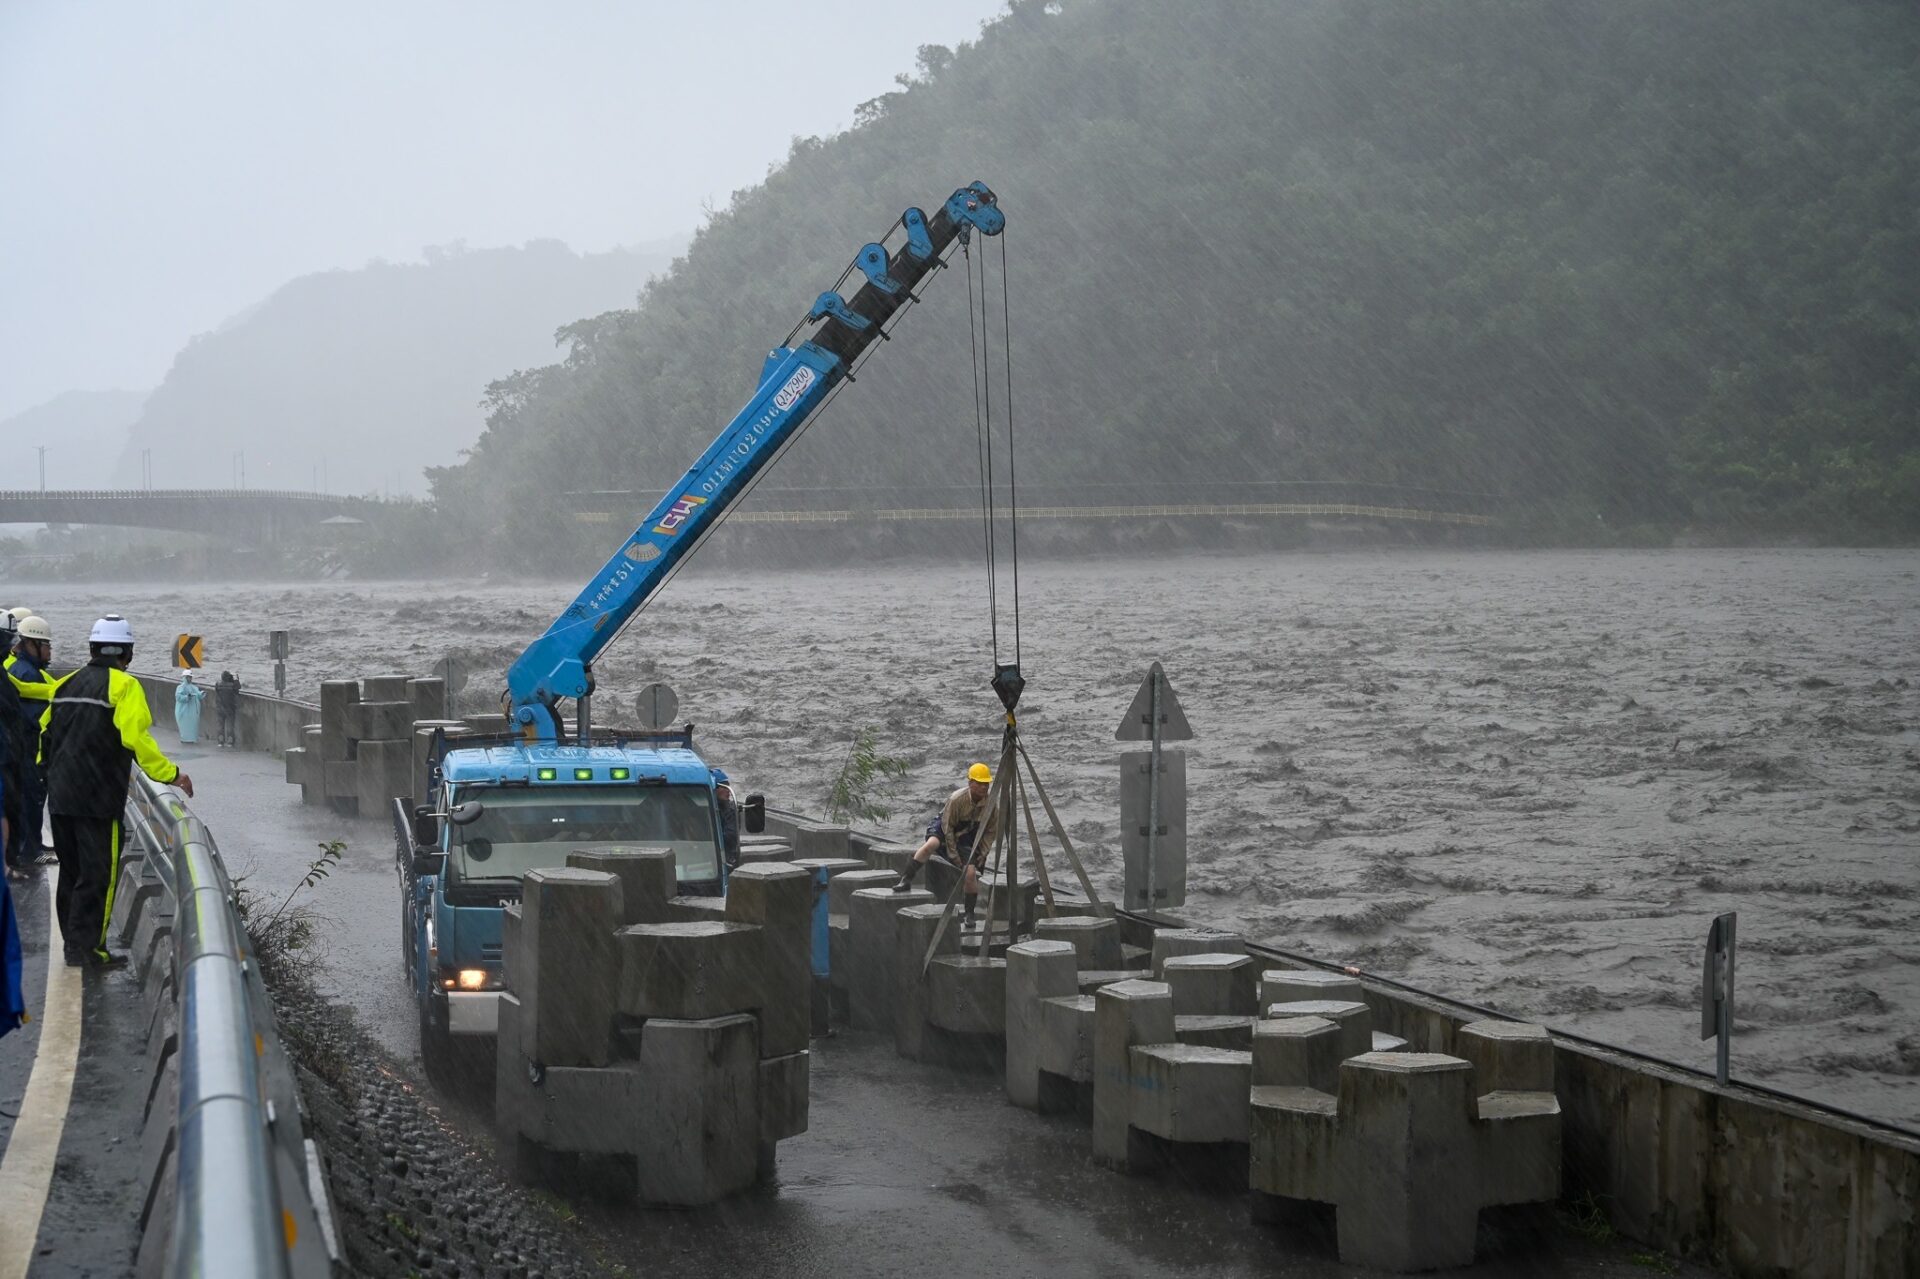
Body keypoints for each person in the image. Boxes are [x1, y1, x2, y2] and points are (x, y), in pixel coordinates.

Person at [44, 616, 194, 969]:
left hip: (61, 796)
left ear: (92, 648)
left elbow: (44, 736)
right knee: (98, 875)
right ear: (127, 652)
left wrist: (47, 777)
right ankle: (90, 949)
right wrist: (171, 774)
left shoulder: (63, 685)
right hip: (98, 799)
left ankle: (72, 946)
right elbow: (136, 738)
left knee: (71, 871)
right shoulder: (124, 687)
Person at [894, 762, 1001, 927]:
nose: (983, 787)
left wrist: (984, 852)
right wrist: (953, 855)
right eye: (979, 783)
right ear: (970, 783)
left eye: (986, 784)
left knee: (971, 873)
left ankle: (969, 913)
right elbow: (948, 828)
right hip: (946, 826)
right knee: (931, 844)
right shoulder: (957, 799)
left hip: (969, 832)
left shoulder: (991, 805)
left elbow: (990, 832)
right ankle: (906, 879)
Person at [7, 614, 57, 865]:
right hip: (28, 748)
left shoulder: (26, 670)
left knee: (31, 797)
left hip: (26, 748)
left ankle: (34, 844)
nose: (49, 651)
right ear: (32, 644)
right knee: (30, 797)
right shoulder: (26, 674)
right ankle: (30, 851)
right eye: (46, 645)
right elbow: (34, 716)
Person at [712, 767, 742, 868]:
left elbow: (731, 836)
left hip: (726, 857)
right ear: (714, 789)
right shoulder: (705, 809)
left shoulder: (731, 811)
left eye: (728, 787)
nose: (728, 791)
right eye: (724, 787)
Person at [174, 672, 205, 744]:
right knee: (184, 725)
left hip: (193, 711)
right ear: (184, 677)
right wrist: (187, 697)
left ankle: (192, 738)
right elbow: (178, 697)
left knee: (193, 725)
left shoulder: (194, 687)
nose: (189, 679)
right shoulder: (180, 687)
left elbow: (198, 695)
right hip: (183, 710)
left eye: (190, 677)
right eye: (188, 677)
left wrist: (202, 693)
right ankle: (184, 739)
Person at [213, 671, 242, 747]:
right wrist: (236, 679)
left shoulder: (218, 684)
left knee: (220, 726)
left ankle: (220, 742)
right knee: (230, 726)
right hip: (230, 708)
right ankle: (230, 742)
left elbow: (216, 691)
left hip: (220, 708)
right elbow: (238, 687)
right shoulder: (232, 686)